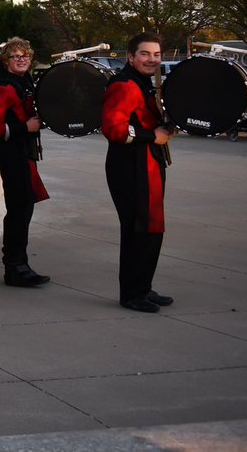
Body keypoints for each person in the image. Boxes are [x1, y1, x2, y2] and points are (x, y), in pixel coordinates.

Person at [102, 32, 175, 313]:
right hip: (130, 167)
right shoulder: (124, 85)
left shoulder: (142, 84)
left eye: (156, 55)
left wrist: (165, 129)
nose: (152, 60)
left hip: (148, 164)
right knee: (138, 230)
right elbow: (112, 129)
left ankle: (143, 287)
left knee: (151, 228)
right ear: (131, 57)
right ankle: (132, 294)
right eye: (145, 54)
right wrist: (150, 136)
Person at [0, 37, 50, 288]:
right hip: (12, 153)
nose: (22, 59)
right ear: (6, 61)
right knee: (19, 211)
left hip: (24, 153)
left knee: (24, 210)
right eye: (16, 56)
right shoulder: (4, 88)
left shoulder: (26, 82)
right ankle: (14, 268)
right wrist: (24, 127)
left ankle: (20, 265)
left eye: (25, 56)